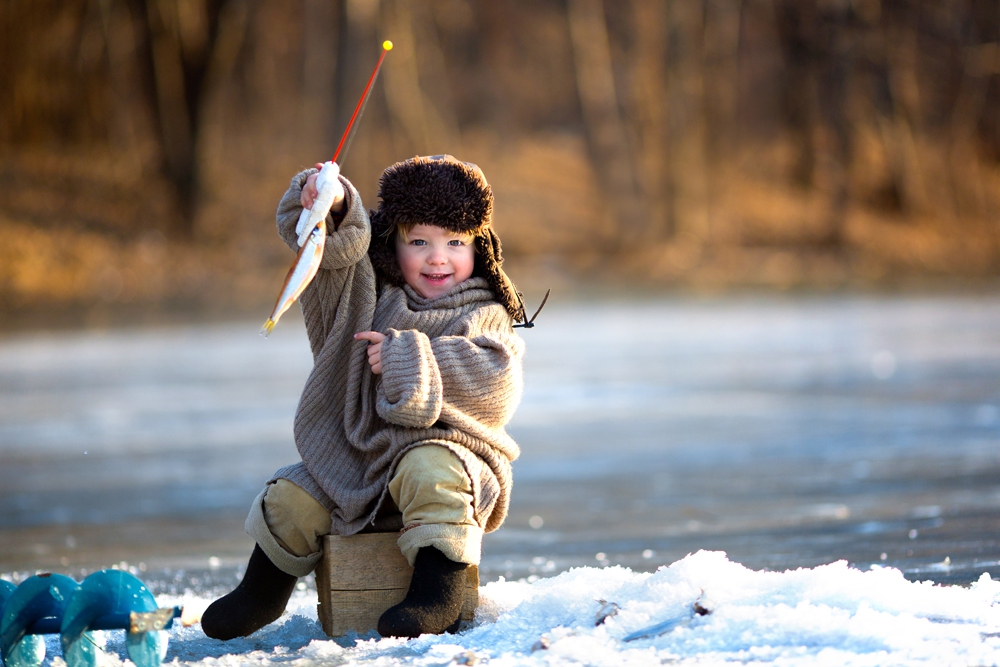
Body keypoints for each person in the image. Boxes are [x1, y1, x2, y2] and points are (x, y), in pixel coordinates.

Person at [201, 155, 527, 640]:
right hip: (365, 458)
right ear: (393, 244)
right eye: (419, 242)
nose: (439, 258)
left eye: (455, 242)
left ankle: (437, 592)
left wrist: (407, 359)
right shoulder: (375, 296)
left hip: (454, 460)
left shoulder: (485, 309)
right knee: (294, 494)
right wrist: (331, 206)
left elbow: (496, 381)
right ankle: (262, 590)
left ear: (478, 247)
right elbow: (337, 258)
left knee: (430, 470)